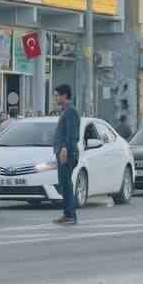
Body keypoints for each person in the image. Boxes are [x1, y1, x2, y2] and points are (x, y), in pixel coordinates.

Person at [52, 83, 80, 227]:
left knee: (66, 184)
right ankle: (67, 213)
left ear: (65, 95)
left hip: (67, 153)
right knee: (64, 183)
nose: (55, 97)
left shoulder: (71, 112)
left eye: (57, 95)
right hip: (63, 152)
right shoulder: (65, 111)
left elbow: (72, 135)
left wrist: (64, 149)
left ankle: (70, 214)